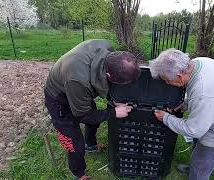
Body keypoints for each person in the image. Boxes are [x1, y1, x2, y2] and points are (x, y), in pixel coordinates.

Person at [44, 39, 141, 180]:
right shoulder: (78, 80)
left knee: (95, 120)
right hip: (59, 98)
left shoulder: (108, 49)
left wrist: (112, 99)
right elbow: (83, 115)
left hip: (77, 87)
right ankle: (78, 173)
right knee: (74, 143)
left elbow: (107, 84)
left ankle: (91, 145)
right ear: (108, 75)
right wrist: (114, 112)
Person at [149, 48, 214, 180]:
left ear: (179, 76)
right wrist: (185, 104)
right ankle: (193, 166)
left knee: (203, 161)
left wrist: (165, 118)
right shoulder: (199, 62)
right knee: (197, 149)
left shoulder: (204, 93)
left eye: (167, 80)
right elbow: (196, 91)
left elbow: (194, 130)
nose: (166, 83)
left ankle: (197, 173)